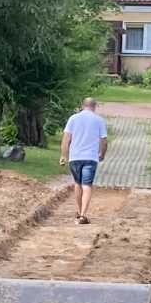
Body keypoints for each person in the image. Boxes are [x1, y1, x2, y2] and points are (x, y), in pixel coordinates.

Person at [60, 95, 110, 224]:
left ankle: (79, 210)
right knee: (86, 185)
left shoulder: (73, 118)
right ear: (94, 107)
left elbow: (66, 139)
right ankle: (83, 215)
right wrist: (102, 154)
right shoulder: (99, 120)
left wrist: (63, 156)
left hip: (75, 157)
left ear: (82, 106)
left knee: (77, 184)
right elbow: (104, 141)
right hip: (90, 158)